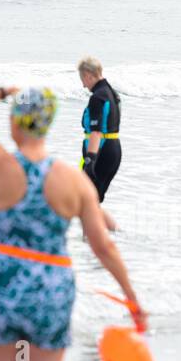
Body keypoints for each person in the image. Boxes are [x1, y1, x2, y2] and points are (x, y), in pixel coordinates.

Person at [0, 86, 145, 361]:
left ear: (15, 122)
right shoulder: (73, 179)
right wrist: (131, 297)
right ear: (48, 124)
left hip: (1, 285)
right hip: (49, 289)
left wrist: (1, 92)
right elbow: (103, 246)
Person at [78, 57, 121, 231]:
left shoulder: (97, 97)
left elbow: (96, 132)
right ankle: (114, 234)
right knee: (92, 201)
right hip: (113, 149)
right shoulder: (111, 93)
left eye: (82, 79)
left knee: (86, 201)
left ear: (88, 75)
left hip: (101, 152)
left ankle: (93, 241)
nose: (83, 85)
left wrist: (90, 161)